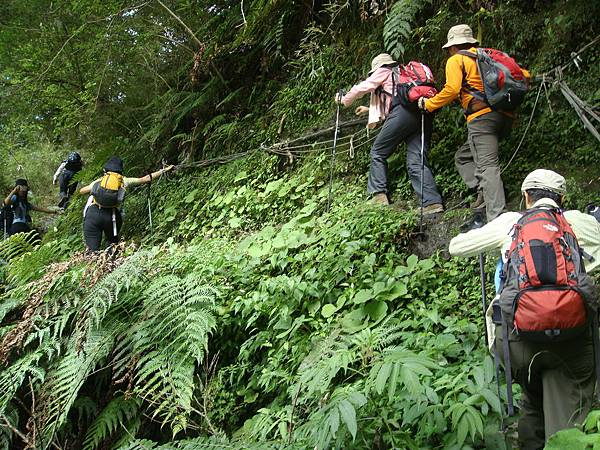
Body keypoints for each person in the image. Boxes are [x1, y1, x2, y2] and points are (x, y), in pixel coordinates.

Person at [449, 169, 600, 450]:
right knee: (567, 422)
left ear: (526, 197)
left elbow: (456, 247)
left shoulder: (512, 222)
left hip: (519, 340)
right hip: (572, 337)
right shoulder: (580, 223)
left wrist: (481, 233)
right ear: (562, 198)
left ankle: (530, 438)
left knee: (531, 395)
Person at [418, 24, 530, 228]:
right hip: (505, 116)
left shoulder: (457, 59)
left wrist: (429, 104)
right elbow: (524, 75)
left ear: (452, 46)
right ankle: (484, 192)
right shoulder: (487, 56)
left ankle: (498, 219)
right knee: (464, 157)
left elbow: (452, 90)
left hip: (482, 119)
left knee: (488, 166)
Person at [335, 53, 444, 213]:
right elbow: (392, 99)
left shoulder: (384, 71)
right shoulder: (402, 74)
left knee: (378, 151)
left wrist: (343, 100)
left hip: (403, 114)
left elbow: (361, 88)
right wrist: (369, 110)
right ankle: (432, 203)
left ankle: (379, 196)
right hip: (423, 113)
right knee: (417, 160)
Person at [79, 157, 173, 252]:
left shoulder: (100, 181)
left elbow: (82, 191)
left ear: (106, 170)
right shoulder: (124, 181)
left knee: (92, 249)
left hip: (93, 214)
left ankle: (94, 261)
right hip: (112, 217)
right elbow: (146, 179)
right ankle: (110, 260)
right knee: (112, 244)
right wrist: (163, 170)